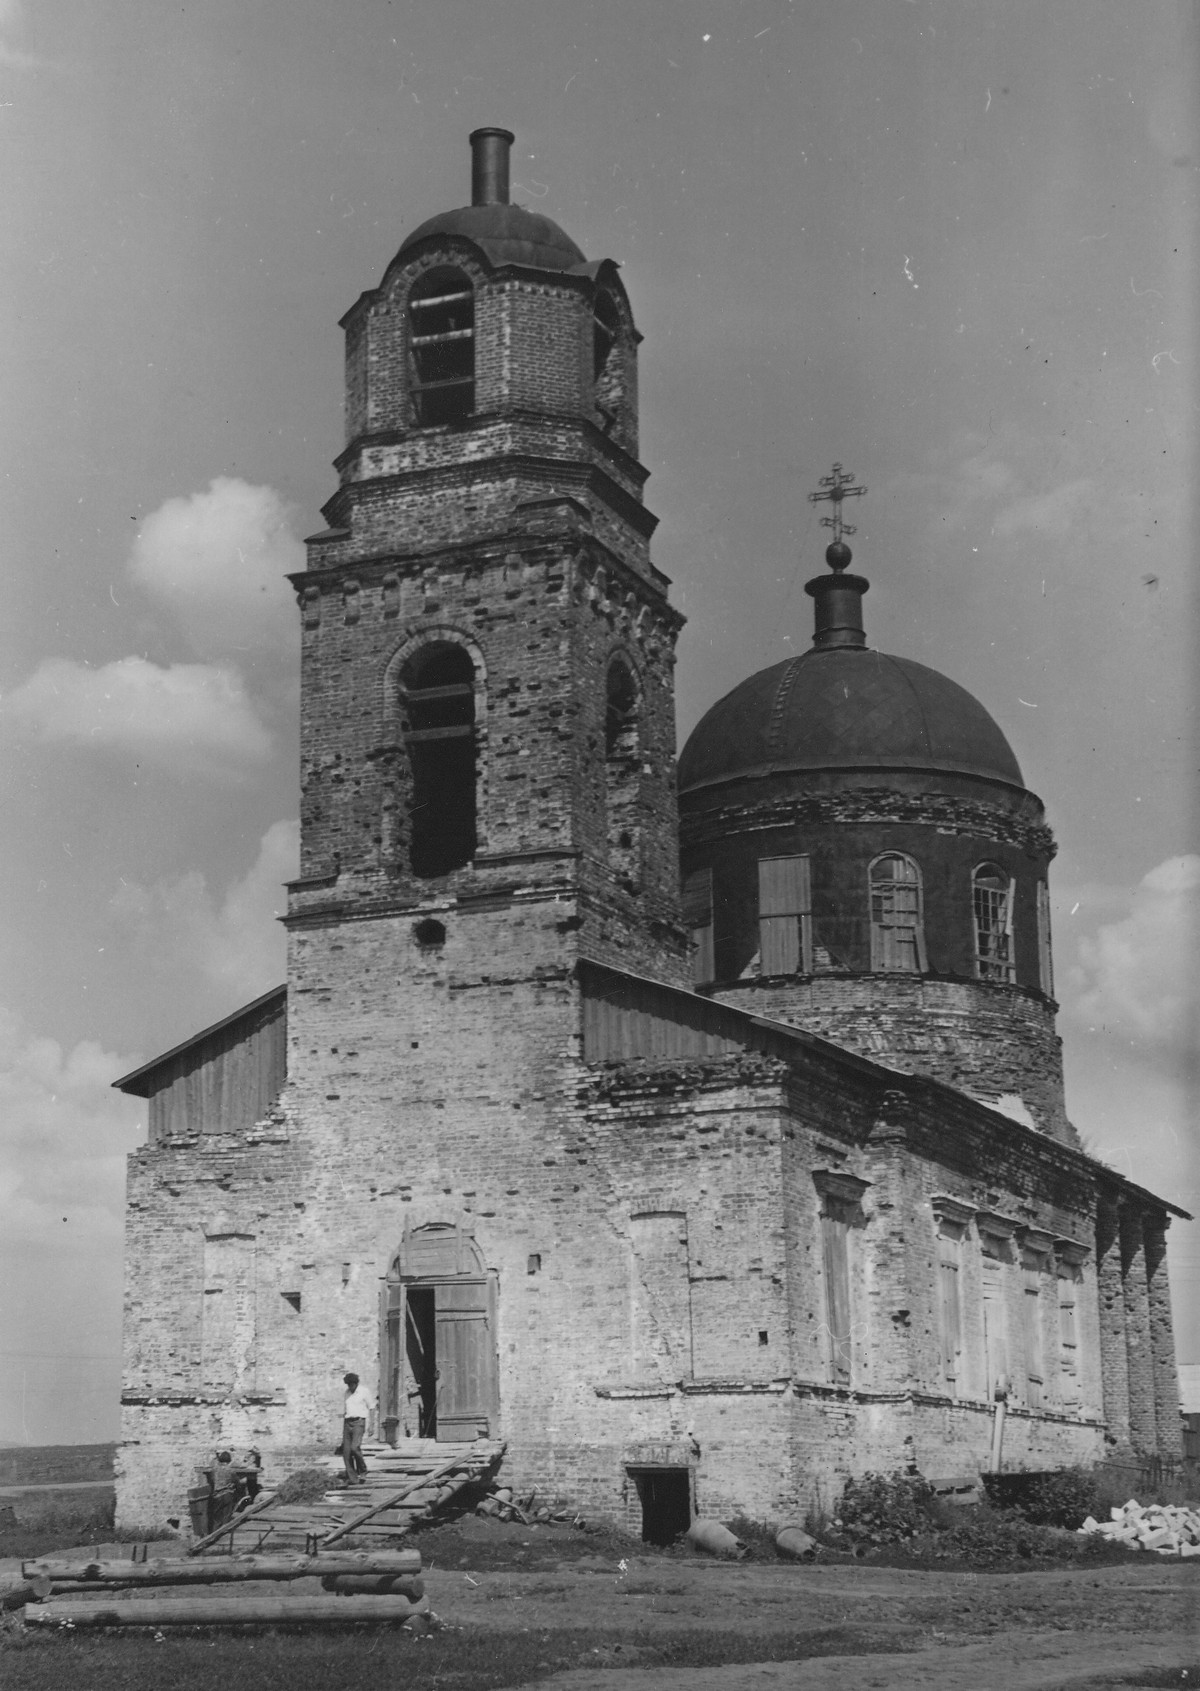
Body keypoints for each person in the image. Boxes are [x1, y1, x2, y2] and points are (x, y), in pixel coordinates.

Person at [341, 1371, 373, 1485]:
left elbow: (372, 1407)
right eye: (348, 1385)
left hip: (359, 1422)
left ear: (356, 1383)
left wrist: (371, 1425)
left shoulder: (364, 1391)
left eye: (352, 1384)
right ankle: (353, 1478)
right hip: (347, 1422)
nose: (350, 1387)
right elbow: (346, 1410)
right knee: (346, 1452)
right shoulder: (347, 1393)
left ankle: (363, 1470)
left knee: (355, 1448)